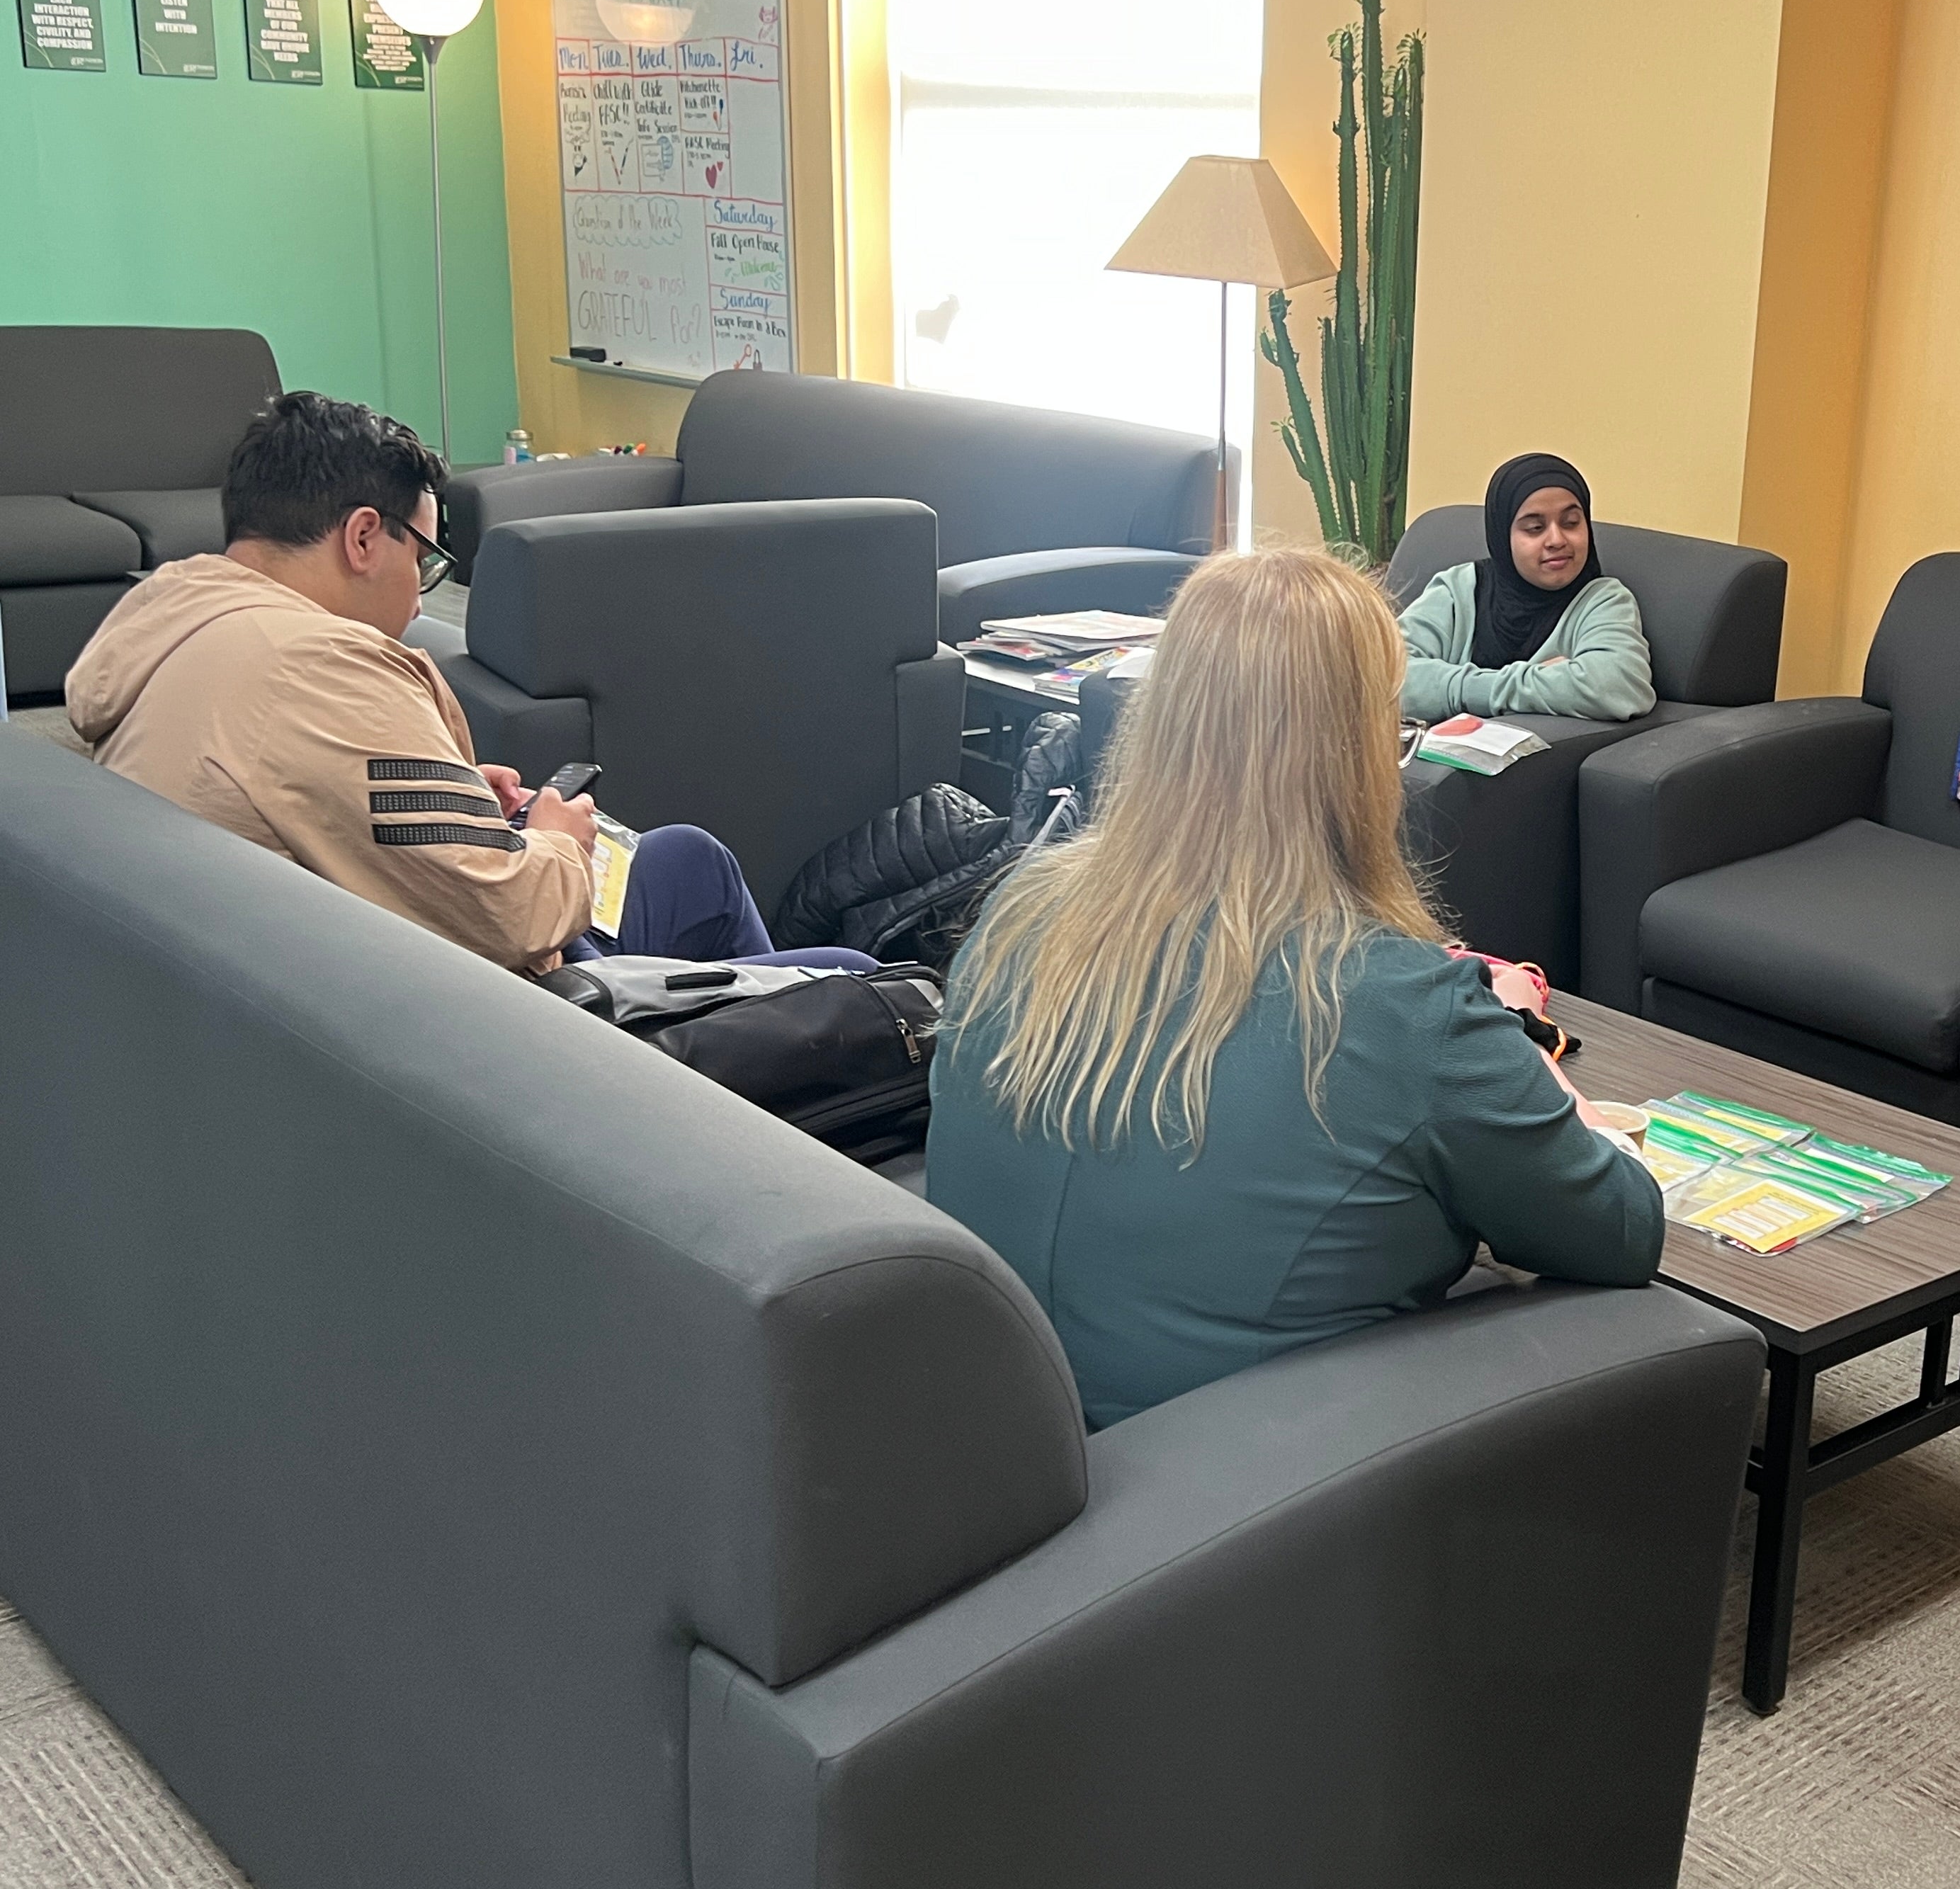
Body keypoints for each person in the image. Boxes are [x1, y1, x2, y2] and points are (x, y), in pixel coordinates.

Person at [929, 543, 1665, 1429]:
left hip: (988, 1436)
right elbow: (1622, 1234)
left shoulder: (1025, 903)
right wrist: (1539, 1074)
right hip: (1257, 1505)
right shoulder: (1401, 1004)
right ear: (1359, 750)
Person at [67, 390, 873, 978]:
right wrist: (557, 840)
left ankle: (746, 1046)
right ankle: (764, 1097)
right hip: (466, 1013)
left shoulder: (181, 618)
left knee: (687, 860)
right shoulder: (318, 671)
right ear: (361, 538)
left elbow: (329, 795)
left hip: (318, 963)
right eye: (421, 557)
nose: (421, 594)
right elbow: (514, 917)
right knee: (850, 980)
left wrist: (452, 791)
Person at [1398, 451, 1654, 722]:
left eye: (1571, 523)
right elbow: (1382, 675)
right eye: (1534, 527)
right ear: (1502, 535)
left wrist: (1444, 687)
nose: (1556, 539)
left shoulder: (1603, 601)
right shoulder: (1458, 589)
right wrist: (1540, 680)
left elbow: (1617, 687)